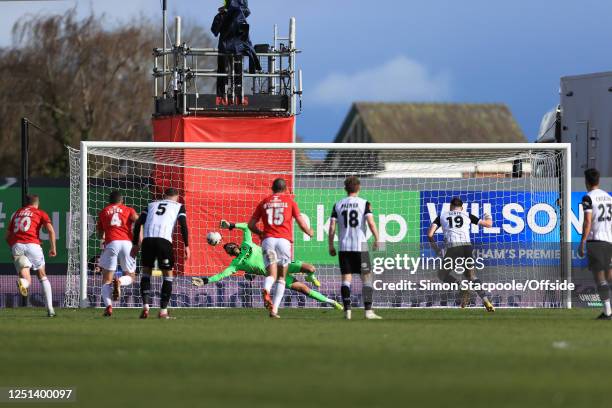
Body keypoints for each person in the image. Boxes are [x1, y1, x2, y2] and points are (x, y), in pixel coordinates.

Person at [192, 220, 342, 310]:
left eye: (229, 246)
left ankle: (310, 276)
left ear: (235, 244)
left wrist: (231, 225)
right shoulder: (236, 264)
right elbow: (221, 275)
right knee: (305, 290)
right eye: (227, 249)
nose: (229, 248)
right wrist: (205, 280)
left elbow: (246, 226)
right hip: (275, 275)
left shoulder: (247, 244)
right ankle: (332, 302)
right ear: (230, 254)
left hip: (282, 263)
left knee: (311, 268)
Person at [249, 178, 314, 318]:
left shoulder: (264, 202)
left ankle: (266, 288)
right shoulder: (290, 202)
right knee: (281, 278)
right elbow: (301, 222)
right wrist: (309, 232)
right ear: (285, 189)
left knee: (271, 274)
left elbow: (251, 225)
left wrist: (260, 233)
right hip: (283, 243)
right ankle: (274, 310)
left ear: (272, 188)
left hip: (268, 241)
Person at [427, 197, 495, 312]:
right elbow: (489, 224)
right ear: (462, 207)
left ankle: (460, 286)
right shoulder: (466, 214)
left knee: (442, 274)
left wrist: (437, 250)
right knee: (471, 276)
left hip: (453, 248)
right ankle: (486, 300)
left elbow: (430, 234)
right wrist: (488, 215)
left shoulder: (442, 216)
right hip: (467, 248)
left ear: (450, 207)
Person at [328, 176, 382, 320]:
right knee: (367, 278)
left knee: (346, 279)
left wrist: (330, 245)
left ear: (345, 188)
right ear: (359, 187)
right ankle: (368, 312)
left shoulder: (337, 204)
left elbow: (332, 227)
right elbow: (371, 223)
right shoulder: (364, 203)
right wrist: (377, 238)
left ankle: (347, 312)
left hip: (344, 247)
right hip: (360, 246)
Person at [131, 188, 190, 319]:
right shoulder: (178, 206)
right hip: (164, 241)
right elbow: (183, 225)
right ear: (177, 197)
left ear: (164, 196)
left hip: (147, 241)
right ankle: (163, 311)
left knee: (146, 273)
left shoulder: (151, 204)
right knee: (168, 275)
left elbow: (138, 223)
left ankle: (146, 306)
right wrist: (186, 245)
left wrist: (135, 244)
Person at [6, 194, 57, 317]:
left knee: (26, 278)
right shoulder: (40, 213)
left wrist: (14, 249)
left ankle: (24, 284)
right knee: (42, 275)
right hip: (33, 245)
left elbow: (7, 237)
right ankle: (50, 309)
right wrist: (53, 248)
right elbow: (50, 230)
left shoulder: (17, 213)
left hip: (17, 246)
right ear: (37, 203)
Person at [96, 191, 139, 317]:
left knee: (106, 279)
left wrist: (103, 237)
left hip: (111, 243)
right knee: (131, 276)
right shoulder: (128, 209)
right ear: (122, 201)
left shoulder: (104, 211)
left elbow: (100, 232)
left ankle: (108, 306)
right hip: (126, 243)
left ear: (110, 201)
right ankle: (120, 281)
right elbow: (138, 221)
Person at [578, 168, 612, 320]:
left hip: (596, 241)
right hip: (609, 240)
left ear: (586, 181)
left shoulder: (588, 197)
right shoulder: (608, 197)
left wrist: (582, 241)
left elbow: (587, 221)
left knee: (600, 278)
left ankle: (607, 312)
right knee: (610, 276)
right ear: (598, 180)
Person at [211, 0, 261, 101]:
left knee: (223, 70)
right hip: (238, 48)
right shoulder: (242, 16)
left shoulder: (221, 16)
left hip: (225, 48)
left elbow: (214, 31)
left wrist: (221, 17)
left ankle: (221, 95)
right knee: (238, 72)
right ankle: (238, 93)